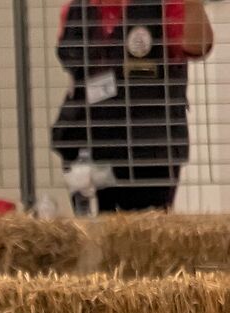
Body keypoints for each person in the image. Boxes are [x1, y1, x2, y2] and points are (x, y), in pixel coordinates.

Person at [53, 0, 216, 213]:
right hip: (88, 146)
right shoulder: (76, 8)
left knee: (146, 235)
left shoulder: (165, 5)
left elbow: (198, 46)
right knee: (95, 233)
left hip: (150, 149)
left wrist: (193, 4)